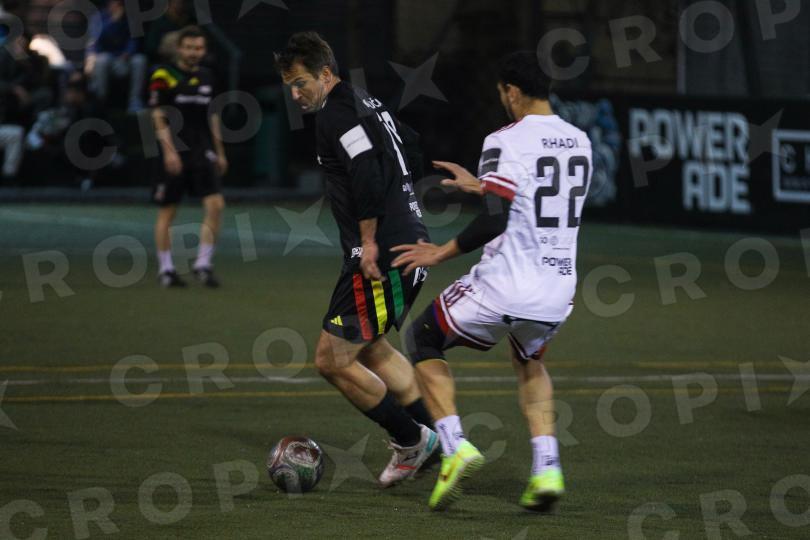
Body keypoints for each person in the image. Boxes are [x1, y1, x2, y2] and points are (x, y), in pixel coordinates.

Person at [392, 51, 593, 511]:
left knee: (422, 338)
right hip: (557, 289)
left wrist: (439, 252)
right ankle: (547, 467)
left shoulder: (504, 139)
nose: (503, 100)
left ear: (513, 92)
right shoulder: (579, 140)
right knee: (530, 362)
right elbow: (538, 193)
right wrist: (482, 185)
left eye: (503, 93)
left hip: (506, 284)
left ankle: (454, 446)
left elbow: (494, 220)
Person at [274, 31, 439, 487]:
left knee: (331, 359)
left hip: (382, 254)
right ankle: (443, 440)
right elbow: (412, 145)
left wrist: (369, 239)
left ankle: (412, 440)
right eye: (289, 86)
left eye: (301, 82)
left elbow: (366, 166)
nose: (296, 94)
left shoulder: (337, 113)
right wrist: (406, 212)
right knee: (372, 349)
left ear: (326, 74)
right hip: (404, 242)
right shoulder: (367, 103)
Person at [149, 26, 227, 288]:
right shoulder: (163, 75)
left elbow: (212, 116)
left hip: (201, 149)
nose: (195, 52)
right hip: (174, 149)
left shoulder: (208, 76)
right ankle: (166, 269)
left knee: (216, 205)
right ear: (179, 49)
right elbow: (157, 115)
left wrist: (220, 151)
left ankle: (203, 265)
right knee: (168, 210)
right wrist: (169, 152)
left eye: (199, 48)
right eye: (190, 48)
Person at [85, 0, 147, 113]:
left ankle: (135, 101)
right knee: (102, 60)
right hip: (105, 58)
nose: (117, 6)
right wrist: (114, 21)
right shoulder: (98, 17)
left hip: (124, 58)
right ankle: (100, 102)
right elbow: (97, 39)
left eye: (120, 3)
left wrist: (128, 52)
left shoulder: (131, 17)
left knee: (140, 60)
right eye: (114, 3)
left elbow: (135, 39)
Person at [144, 0, 195, 64]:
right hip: (161, 59)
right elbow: (150, 47)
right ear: (169, 4)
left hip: (184, 60)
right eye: (176, 3)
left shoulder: (189, 21)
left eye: (181, 3)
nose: (179, 6)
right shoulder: (159, 22)